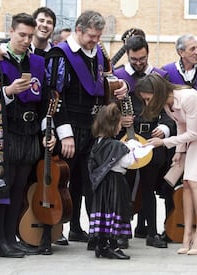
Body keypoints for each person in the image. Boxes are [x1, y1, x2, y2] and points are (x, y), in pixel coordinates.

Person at [44, 10, 128, 249]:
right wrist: (65, 134)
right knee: (62, 182)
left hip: (94, 129)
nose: (96, 40)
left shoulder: (98, 53)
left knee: (91, 182)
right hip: (70, 128)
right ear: (78, 30)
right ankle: (51, 233)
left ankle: (92, 233)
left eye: (99, 36)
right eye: (92, 36)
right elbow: (54, 96)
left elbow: (104, 83)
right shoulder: (59, 55)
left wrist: (118, 86)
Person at [137, 73, 197, 255]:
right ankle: (187, 235)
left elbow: (192, 134)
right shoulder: (167, 102)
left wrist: (163, 142)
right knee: (186, 183)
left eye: (148, 99)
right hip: (196, 138)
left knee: (195, 183)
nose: (147, 104)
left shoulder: (188, 97)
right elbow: (181, 125)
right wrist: (180, 152)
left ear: (157, 92)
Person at [0, 13, 55, 258]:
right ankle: (0, 241)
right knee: (3, 188)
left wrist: (47, 132)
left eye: (30, 36)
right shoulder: (0, 60)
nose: (26, 40)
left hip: (30, 134)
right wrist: (7, 92)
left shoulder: (38, 64)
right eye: (22, 35)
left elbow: (44, 103)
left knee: (20, 187)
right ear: (11, 32)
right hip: (6, 133)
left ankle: (12, 238)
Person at [114, 35, 174, 249]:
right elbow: (108, 109)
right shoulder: (118, 76)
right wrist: (119, 120)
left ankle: (151, 232)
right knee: (125, 187)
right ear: (127, 55)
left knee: (148, 188)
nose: (138, 63)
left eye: (142, 58)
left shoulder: (160, 76)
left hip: (152, 141)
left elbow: (170, 109)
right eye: (134, 59)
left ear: (148, 53)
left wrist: (166, 128)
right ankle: (122, 232)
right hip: (127, 139)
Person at [88, 103, 134, 260]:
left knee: (103, 213)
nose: (121, 127)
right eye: (120, 123)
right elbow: (127, 162)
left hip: (102, 185)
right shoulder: (116, 145)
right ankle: (113, 245)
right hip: (115, 183)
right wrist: (131, 148)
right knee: (116, 211)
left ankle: (101, 245)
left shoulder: (97, 143)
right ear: (113, 124)